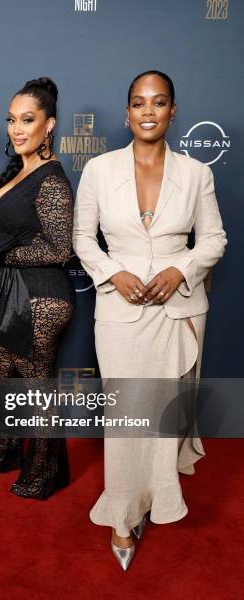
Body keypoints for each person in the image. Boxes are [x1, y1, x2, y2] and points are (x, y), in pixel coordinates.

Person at [73, 70, 226, 570]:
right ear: (127, 112)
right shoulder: (98, 169)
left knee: (164, 418)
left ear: (172, 111)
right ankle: (122, 512)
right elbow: (82, 239)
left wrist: (181, 267)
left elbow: (214, 240)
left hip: (178, 309)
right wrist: (113, 273)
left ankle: (158, 499)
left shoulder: (197, 174)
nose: (148, 111)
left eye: (159, 103)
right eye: (139, 103)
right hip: (120, 311)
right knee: (127, 416)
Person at [0, 77, 75, 499]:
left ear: (49, 125)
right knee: (5, 371)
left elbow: (58, 246)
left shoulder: (52, 178)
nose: (16, 129)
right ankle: (8, 449)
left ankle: (47, 471)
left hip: (43, 296)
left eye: (27, 120)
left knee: (36, 384)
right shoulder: (22, 170)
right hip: (15, 294)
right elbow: (10, 214)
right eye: (11, 120)